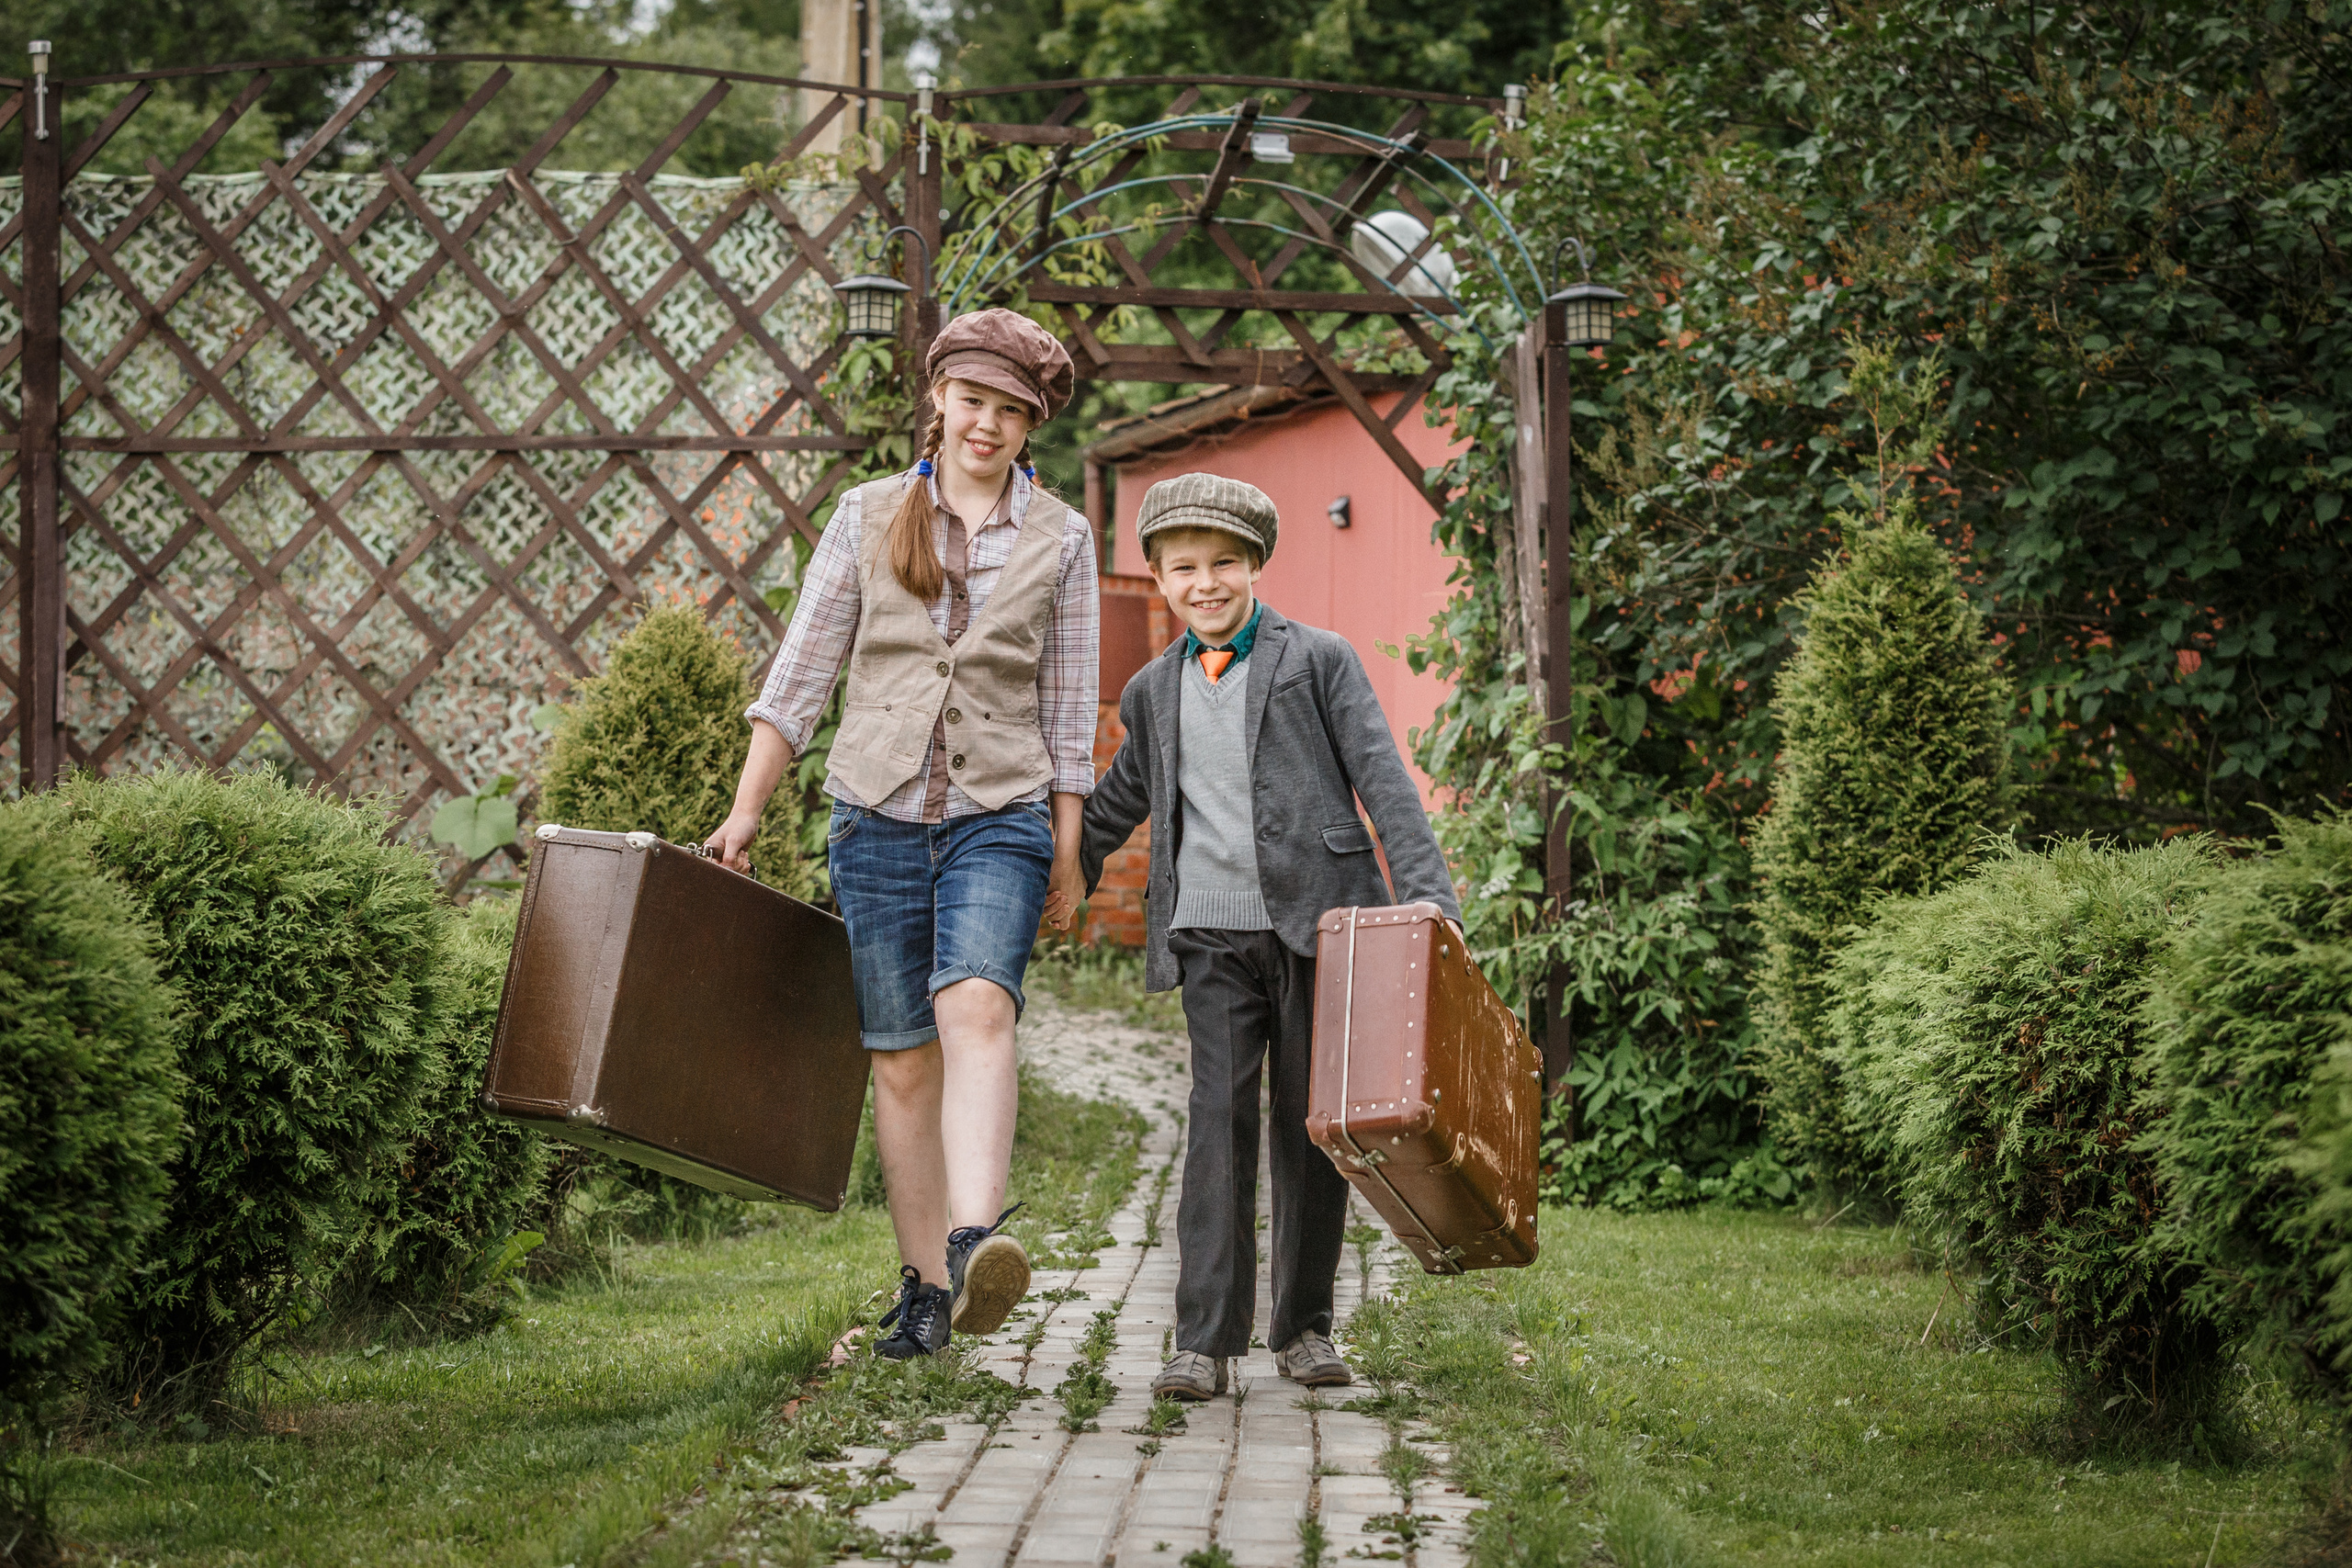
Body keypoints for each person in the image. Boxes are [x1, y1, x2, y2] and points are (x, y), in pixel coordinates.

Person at [707, 309, 1095, 1361]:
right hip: (874, 815)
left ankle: (976, 1242)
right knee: (902, 1063)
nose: (989, 424)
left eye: (1012, 412)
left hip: (999, 813)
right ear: (939, 400)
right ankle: (925, 1291)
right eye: (975, 401)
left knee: (977, 1003)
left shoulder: (1064, 538)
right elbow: (800, 677)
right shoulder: (866, 514)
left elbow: (1066, 714)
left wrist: (1064, 852)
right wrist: (746, 808)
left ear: (1031, 426)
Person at [1078, 473, 1463, 1401]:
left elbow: (1383, 780)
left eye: (1221, 564)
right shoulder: (1150, 691)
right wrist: (1054, 873)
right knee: (1216, 1121)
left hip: (1318, 928)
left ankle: (1302, 1329)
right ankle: (1201, 1343)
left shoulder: (1315, 660)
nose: (1203, 583)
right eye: (1182, 570)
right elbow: (1120, 802)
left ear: (1253, 564)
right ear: (1160, 582)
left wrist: (1429, 901)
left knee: (1308, 1127)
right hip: (1207, 933)